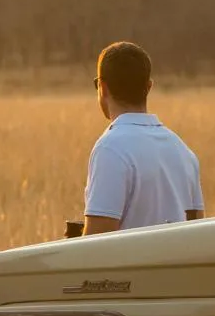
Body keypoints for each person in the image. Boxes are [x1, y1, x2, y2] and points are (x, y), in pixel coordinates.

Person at [83, 41, 203, 234]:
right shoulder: (183, 150)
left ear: (103, 88)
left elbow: (96, 243)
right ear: (149, 87)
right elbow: (199, 230)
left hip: (131, 265)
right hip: (179, 263)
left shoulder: (110, 149)